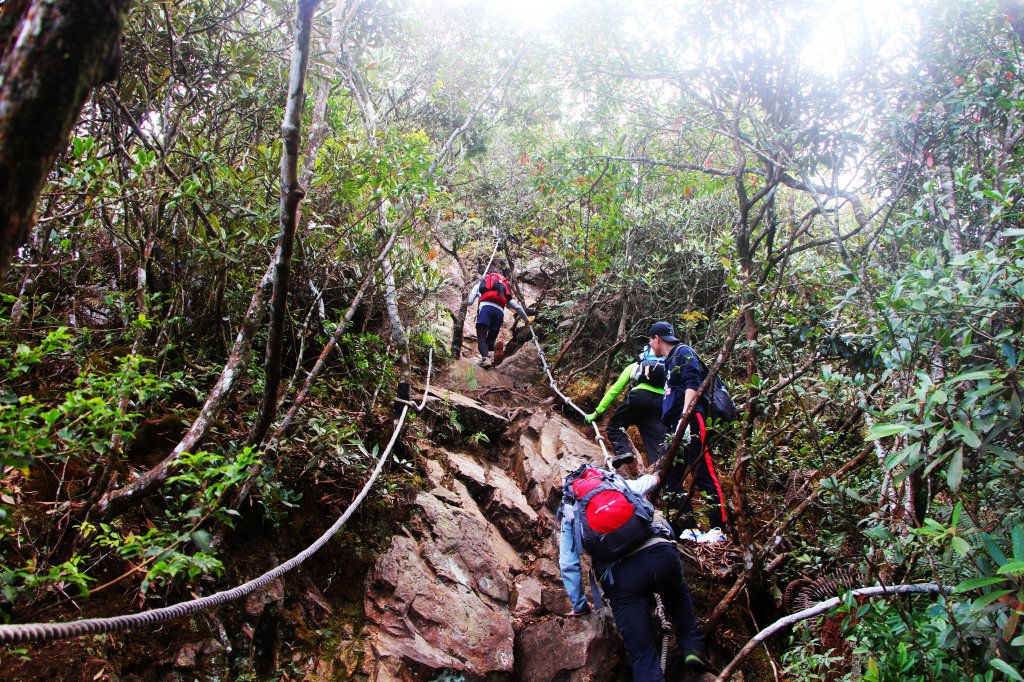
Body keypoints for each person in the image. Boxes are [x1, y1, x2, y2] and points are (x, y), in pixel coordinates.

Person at [557, 466, 709, 679]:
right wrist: (656, 477)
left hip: (623, 579)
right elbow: (641, 485)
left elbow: (568, 563)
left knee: (642, 653)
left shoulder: (570, 508)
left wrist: (580, 605)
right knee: (677, 593)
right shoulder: (612, 482)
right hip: (660, 554)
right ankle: (693, 646)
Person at [648, 321, 729, 534]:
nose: (650, 344)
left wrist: (686, 416)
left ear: (657, 338)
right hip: (677, 424)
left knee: (702, 470)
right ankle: (685, 526)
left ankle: (719, 528)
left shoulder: (683, 352)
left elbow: (693, 382)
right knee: (670, 476)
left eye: (650, 339)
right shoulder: (668, 361)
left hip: (691, 420)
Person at [585, 345, 667, 469]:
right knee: (655, 443)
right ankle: (658, 473)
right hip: (659, 403)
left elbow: (614, 390)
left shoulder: (635, 367)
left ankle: (624, 452)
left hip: (639, 397)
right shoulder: (667, 370)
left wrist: (597, 413)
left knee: (615, 426)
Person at [465, 265, 530, 367]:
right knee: (490, 340)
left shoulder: (480, 285)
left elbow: (469, 302)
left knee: (481, 338)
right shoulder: (503, 289)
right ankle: (495, 347)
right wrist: (526, 320)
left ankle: (486, 359)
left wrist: (463, 299)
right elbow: (517, 307)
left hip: (485, 310)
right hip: (499, 313)